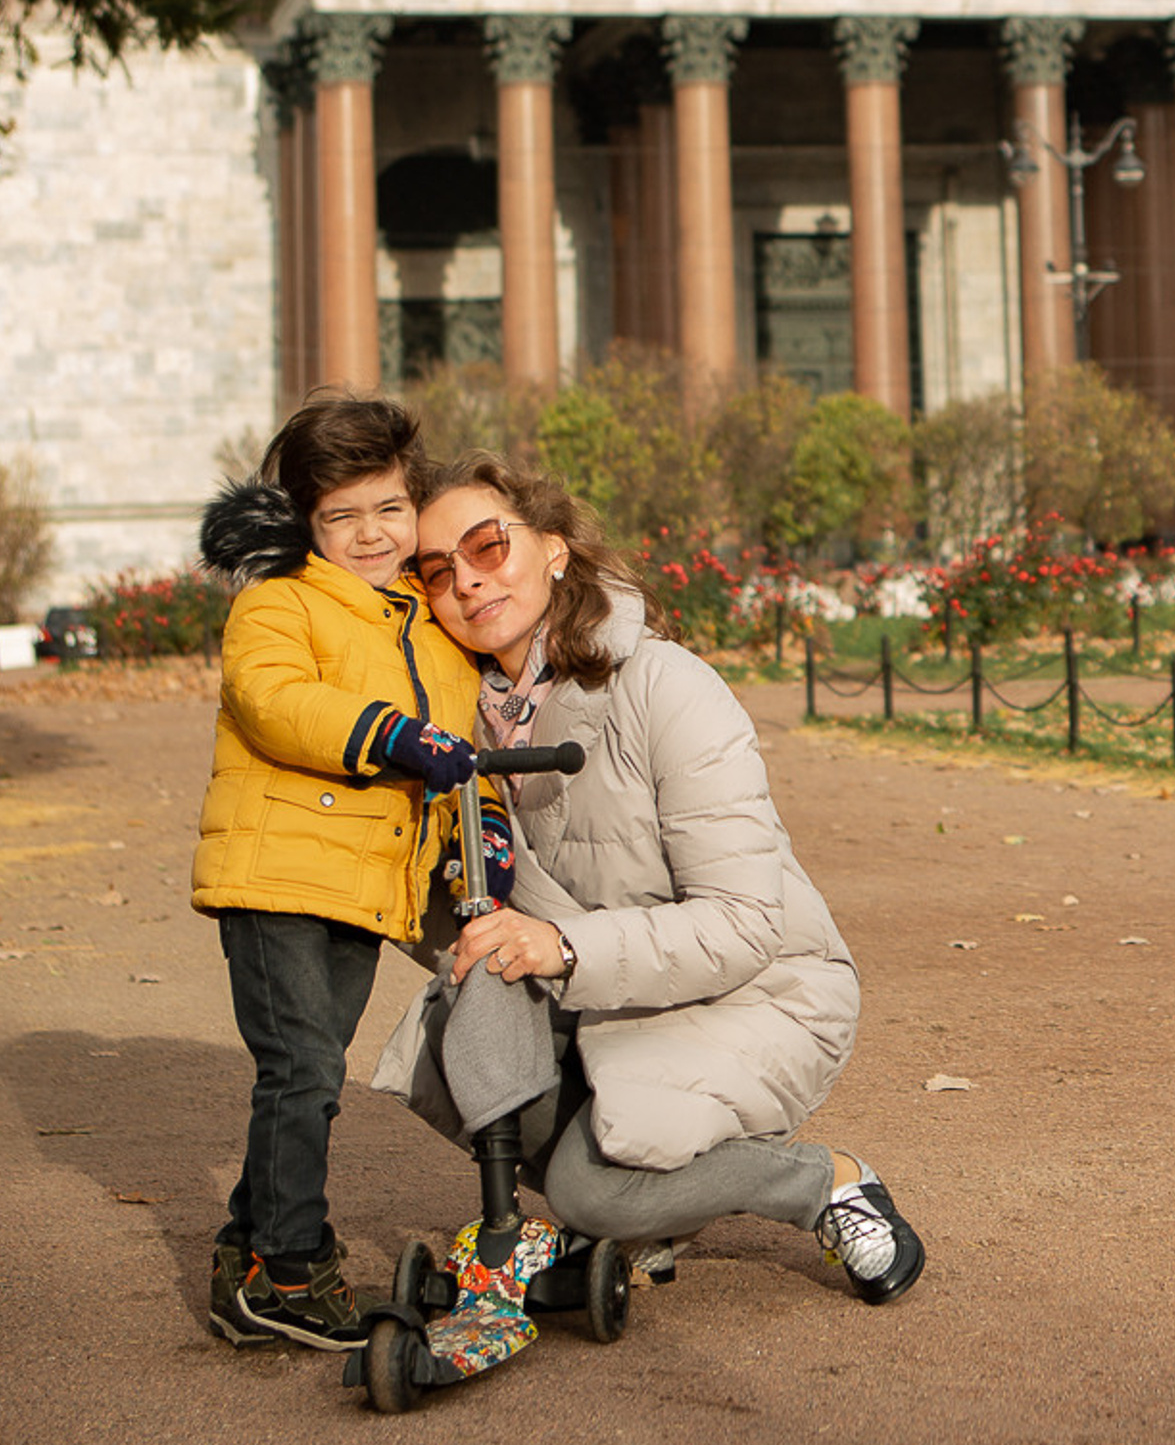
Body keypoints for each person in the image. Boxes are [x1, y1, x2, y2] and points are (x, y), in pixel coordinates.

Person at [386, 453, 924, 1303]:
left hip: (758, 989)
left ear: (554, 547)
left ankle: (821, 1184)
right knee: (473, 1046)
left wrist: (559, 944)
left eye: (488, 546)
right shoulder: (446, 729)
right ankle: (650, 1214)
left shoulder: (667, 687)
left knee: (588, 1190)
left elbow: (746, 921)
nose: (468, 582)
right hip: (608, 993)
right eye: (437, 571)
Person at [192, 393, 484, 1350]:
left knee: (306, 1075)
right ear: (306, 522)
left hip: (368, 884)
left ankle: (245, 1255)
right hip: (274, 874)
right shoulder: (276, 603)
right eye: (342, 515)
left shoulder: (433, 628)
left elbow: (458, 750)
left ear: (415, 505)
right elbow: (277, 703)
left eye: (388, 509)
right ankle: (289, 1269)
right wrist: (388, 735)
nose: (370, 533)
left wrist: (476, 828)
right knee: (304, 1068)